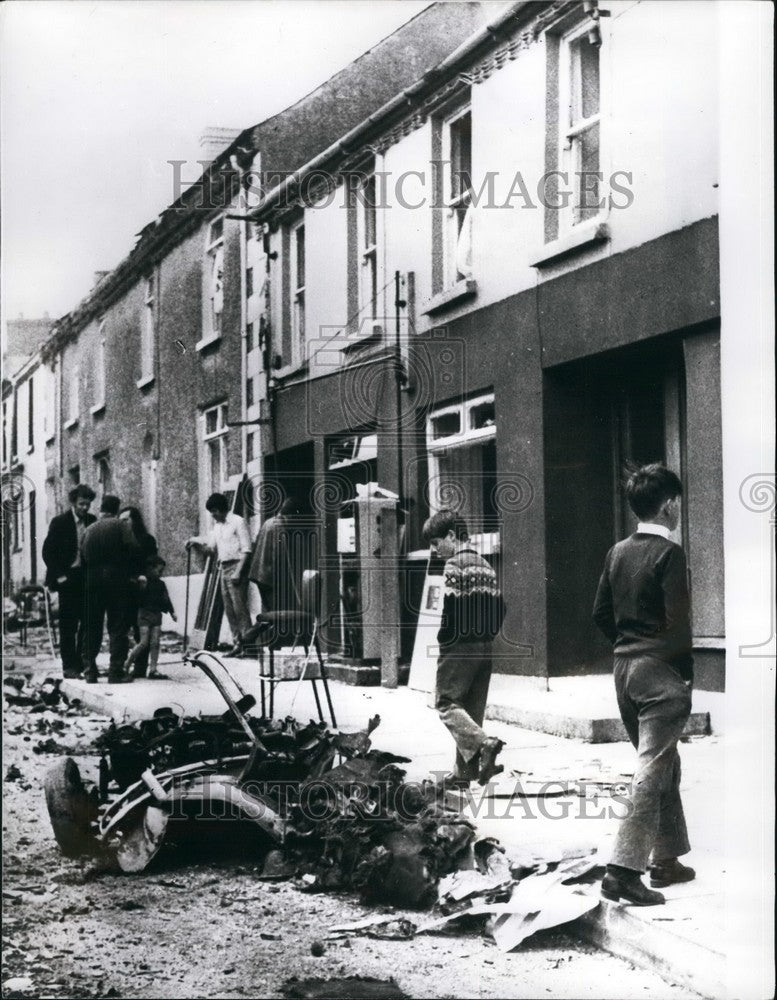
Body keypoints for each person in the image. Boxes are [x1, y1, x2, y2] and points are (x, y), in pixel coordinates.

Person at [593, 463, 695, 907]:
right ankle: (622, 870)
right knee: (652, 769)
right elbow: (678, 625)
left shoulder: (617, 552)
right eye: (679, 502)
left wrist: (629, 647)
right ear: (669, 505)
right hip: (658, 673)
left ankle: (666, 859)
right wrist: (683, 673)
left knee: (662, 762)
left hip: (624, 671)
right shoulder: (670, 554)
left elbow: (600, 613)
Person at [422, 508, 506, 788]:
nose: (435, 551)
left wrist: (445, 640)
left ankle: (484, 744)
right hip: (484, 646)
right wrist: (487, 634)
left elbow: (452, 608)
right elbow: (500, 607)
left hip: (459, 646)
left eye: (436, 543)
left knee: (446, 703)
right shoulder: (485, 565)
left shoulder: (454, 565)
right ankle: (463, 774)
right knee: (471, 709)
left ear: (450, 536)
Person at [80, 494, 140, 683]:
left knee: (92, 625)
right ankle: (116, 671)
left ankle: (89, 671)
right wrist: (131, 572)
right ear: (116, 509)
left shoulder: (89, 529)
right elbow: (133, 549)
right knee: (117, 626)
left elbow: (82, 556)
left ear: (101, 509)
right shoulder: (121, 526)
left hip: (92, 581)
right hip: (116, 580)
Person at [186, 493, 252, 656]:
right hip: (223, 567)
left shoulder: (238, 521)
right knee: (230, 610)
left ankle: (249, 647)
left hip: (237, 566)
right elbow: (210, 549)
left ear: (222, 509)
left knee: (240, 609)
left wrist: (238, 572)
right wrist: (194, 543)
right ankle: (238, 645)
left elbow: (247, 550)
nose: (213, 515)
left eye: (214, 511)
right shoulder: (217, 527)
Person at [42, 484, 97, 678]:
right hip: (67, 579)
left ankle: (81, 662)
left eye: (88, 504)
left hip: (86, 577)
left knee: (87, 622)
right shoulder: (59, 522)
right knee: (68, 624)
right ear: (73, 502)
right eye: (81, 503)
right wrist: (60, 576)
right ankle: (69, 666)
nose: (85, 507)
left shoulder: (92, 521)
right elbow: (48, 552)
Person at [248, 495, 310, 613]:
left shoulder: (268, 522)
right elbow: (281, 556)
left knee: (269, 610)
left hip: (259, 575)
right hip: (269, 576)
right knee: (277, 612)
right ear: (290, 515)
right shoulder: (280, 527)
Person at [119, 506, 159, 678]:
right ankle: (121, 666)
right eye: (121, 520)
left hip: (142, 590)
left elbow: (152, 563)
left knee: (141, 629)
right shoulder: (119, 540)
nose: (123, 523)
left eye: (126, 520)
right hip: (125, 589)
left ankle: (140, 667)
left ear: (135, 520)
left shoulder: (147, 540)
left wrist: (144, 577)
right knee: (122, 627)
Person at [123, 555, 177, 679]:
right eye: (159, 570)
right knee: (143, 642)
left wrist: (172, 612)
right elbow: (137, 598)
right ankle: (126, 664)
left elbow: (166, 599)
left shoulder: (161, 584)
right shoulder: (142, 582)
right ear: (150, 569)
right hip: (144, 614)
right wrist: (142, 586)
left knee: (155, 643)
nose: (160, 574)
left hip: (156, 614)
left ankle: (153, 669)